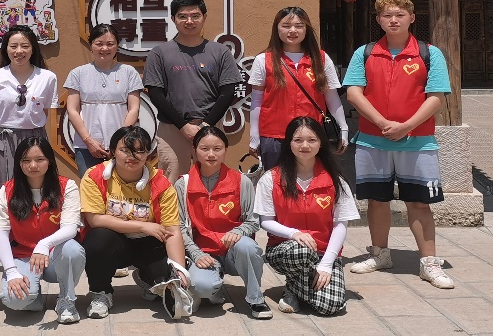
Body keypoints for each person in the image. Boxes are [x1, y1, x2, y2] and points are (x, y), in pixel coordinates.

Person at [344, 0, 454, 289]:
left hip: (417, 141)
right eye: (387, 15)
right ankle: (379, 254)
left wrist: (406, 126)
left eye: (400, 15)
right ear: (378, 20)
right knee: (376, 200)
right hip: (372, 140)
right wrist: (383, 124)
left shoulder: (429, 53)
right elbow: (353, 93)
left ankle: (429, 263)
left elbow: (436, 96)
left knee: (419, 202)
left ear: (412, 18)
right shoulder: (365, 53)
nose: (393, 20)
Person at [80, 126, 191, 320]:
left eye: (140, 151)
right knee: (97, 238)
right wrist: (142, 225)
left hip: (148, 242)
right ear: (113, 151)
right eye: (125, 150)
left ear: (148, 154)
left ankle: (146, 278)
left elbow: (172, 230)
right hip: (113, 241)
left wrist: (180, 272)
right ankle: (101, 293)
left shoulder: (161, 183)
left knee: (166, 275)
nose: (132, 156)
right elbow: (95, 219)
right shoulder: (94, 176)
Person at [253, 117, 358, 316]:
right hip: (286, 250)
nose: (305, 146)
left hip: (323, 252)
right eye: (298, 140)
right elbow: (265, 222)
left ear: (321, 143)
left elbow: (340, 225)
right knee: (301, 251)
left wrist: (327, 264)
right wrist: (294, 234)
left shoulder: (335, 180)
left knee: (330, 305)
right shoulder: (271, 179)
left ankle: (295, 289)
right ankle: (295, 288)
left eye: (312, 140)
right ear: (288, 143)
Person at [174, 126, 270, 319]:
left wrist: (238, 232)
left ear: (226, 149)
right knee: (202, 287)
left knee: (248, 247)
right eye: (204, 148)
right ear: (194, 150)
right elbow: (179, 226)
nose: (211, 154)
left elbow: (253, 221)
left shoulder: (241, 182)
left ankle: (256, 299)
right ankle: (214, 288)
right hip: (204, 253)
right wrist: (196, 253)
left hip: (234, 251)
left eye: (217, 149)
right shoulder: (183, 184)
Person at [143, 0, 242, 181]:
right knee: (170, 182)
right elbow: (155, 93)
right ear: (173, 19)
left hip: (210, 125)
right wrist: (183, 126)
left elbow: (228, 92)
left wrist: (205, 125)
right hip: (172, 128)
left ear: (204, 17)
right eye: (183, 16)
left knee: (211, 180)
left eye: (195, 16)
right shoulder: (159, 53)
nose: (189, 21)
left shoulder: (220, 51)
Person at [0, 137, 85, 324]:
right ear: (19, 163)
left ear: (49, 161)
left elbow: (70, 227)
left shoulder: (67, 186)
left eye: (40, 159)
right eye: (26, 160)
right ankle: (35, 299)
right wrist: (11, 272)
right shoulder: (7, 190)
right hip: (23, 256)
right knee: (15, 300)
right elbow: (0, 232)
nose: (33, 165)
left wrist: (45, 244)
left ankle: (66, 300)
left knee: (73, 249)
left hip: (54, 256)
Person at [248, 6, 348, 171]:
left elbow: (332, 98)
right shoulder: (263, 60)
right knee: (276, 182)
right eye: (286, 26)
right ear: (277, 29)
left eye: (299, 26)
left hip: (311, 136)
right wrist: (254, 136)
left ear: (306, 29)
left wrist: (343, 127)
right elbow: (256, 101)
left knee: (310, 181)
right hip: (274, 136)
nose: (292, 30)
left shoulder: (321, 59)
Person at [0, 25, 58, 200]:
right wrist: (0, 132)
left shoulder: (47, 77)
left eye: (25, 46)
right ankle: (1, 219)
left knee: (36, 186)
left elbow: (45, 111)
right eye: (13, 46)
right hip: (4, 139)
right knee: (2, 188)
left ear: (33, 49)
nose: (19, 51)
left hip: (35, 138)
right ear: (6, 49)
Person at [64, 23, 143, 176]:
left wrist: (119, 141)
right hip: (86, 146)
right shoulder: (78, 73)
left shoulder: (129, 72)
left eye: (110, 44)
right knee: (90, 186)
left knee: (120, 188)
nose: (104, 48)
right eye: (99, 44)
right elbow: (72, 110)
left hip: (121, 146)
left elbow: (134, 108)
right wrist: (88, 141)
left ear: (117, 46)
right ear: (91, 45)